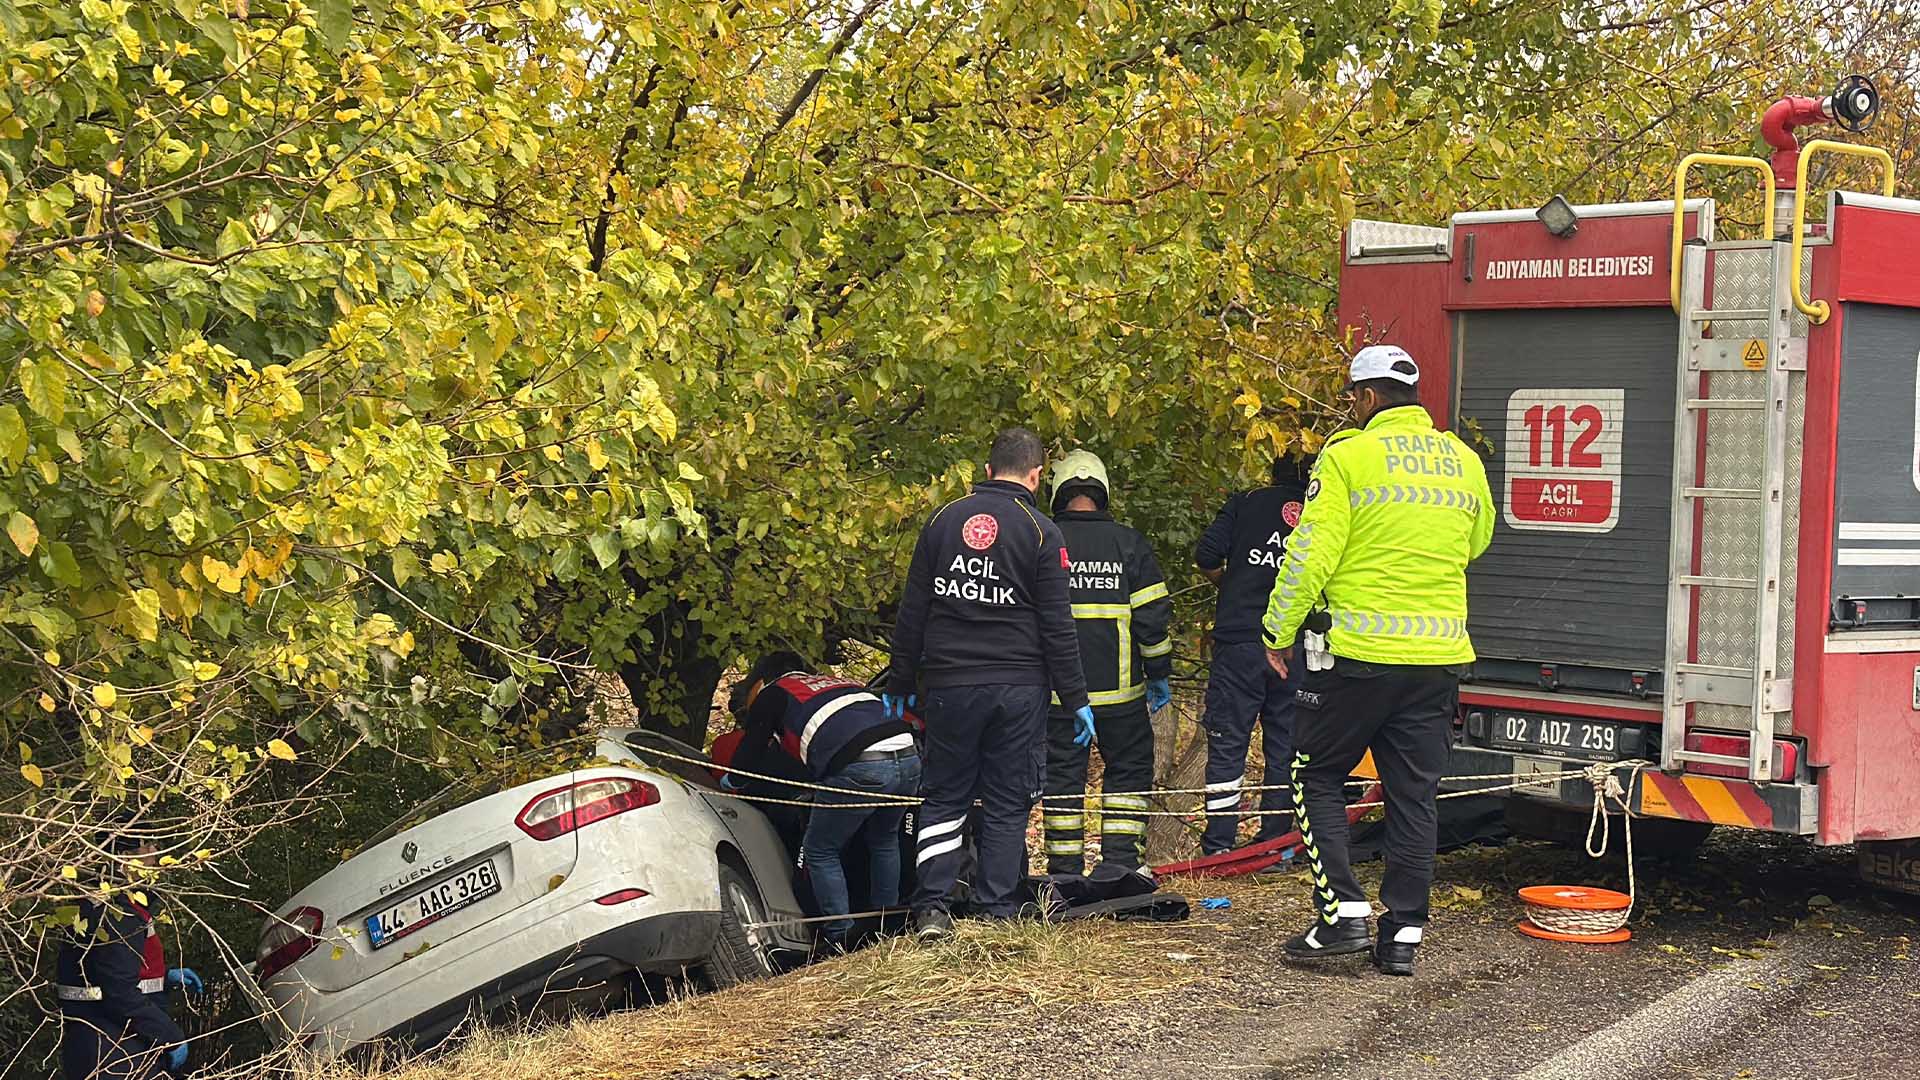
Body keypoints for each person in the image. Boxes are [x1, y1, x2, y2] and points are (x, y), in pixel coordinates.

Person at [1262, 344, 1493, 977]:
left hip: (1358, 656)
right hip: (1439, 657)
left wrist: (1278, 630)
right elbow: (1478, 542)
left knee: (1314, 773)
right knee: (1413, 794)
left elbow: (1311, 555)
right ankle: (1403, 934)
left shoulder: (1348, 457)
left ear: (1365, 398)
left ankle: (1342, 914)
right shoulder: (1463, 461)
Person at [887, 427, 1092, 939]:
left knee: (944, 795)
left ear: (985, 471)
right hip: (1018, 689)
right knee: (1007, 798)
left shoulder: (941, 520)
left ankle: (932, 907)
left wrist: (900, 676)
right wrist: (1077, 698)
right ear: (1037, 476)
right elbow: (1057, 625)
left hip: (950, 685)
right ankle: (996, 909)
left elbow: (914, 609)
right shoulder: (1042, 532)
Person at [726, 652, 922, 953]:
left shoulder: (774, 692)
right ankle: (887, 921)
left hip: (862, 764)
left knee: (821, 849)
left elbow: (750, 752)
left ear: (760, 682)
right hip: (908, 756)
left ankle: (840, 934)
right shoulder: (835, 683)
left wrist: (731, 783)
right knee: (884, 839)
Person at [1039, 450, 1172, 875]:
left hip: (1059, 697)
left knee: (1062, 780)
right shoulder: (1128, 543)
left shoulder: (1043, 539)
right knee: (1128, 775)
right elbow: (1151, 621)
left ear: (1057, 491)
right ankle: (1120, 867)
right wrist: (1159, 674)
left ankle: (1063, 874)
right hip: (1122, 698)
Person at [1192, 452, 1314, 855]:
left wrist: (1232, 586)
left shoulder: (1246, 502)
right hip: (1294, 648)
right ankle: (1276, 847)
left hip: (1240, 642)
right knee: (1285, 746)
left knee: (1228, 745)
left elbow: (1207, 554)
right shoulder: (1319, 509)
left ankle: (1219, 847)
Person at [56, 824, 200, 1079]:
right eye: (147, 845)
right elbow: (118, 991)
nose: (155, 851)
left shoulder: (104, 901)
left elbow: (111, 968)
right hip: (114, 1050)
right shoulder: (116, 912)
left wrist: (164, 976)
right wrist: (170, 1036)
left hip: (104, 1042)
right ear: (122, 857)